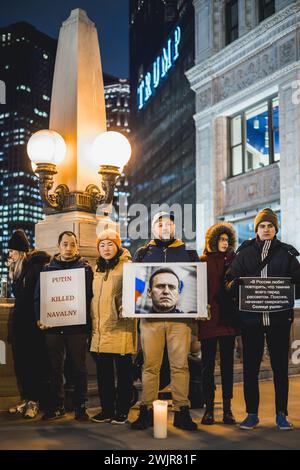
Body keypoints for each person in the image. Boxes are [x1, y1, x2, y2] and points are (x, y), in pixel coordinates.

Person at [225, 208, 300, 431]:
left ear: (276, 229)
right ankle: (251, 414)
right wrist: (234, 286)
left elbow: (298, 285)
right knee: (250, 369)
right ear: (256, 229)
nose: (266, 229)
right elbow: (228, 281)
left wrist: (288, 289)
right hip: (251, 321)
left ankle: (281, 414)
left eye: (270, 226)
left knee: (280, 369)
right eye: (262, 226)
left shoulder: (287, 254)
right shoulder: (244, 254)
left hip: (278, 320)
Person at [131, 211, 199, 431]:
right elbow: (135, 285)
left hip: (180, 320)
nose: (165, 227)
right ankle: (147, 410)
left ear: (175, 228)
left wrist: (201, 304)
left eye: (169, 224)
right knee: (150, 366)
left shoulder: (188, 252)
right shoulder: (142, 253)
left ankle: (182, 411)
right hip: (150, 320)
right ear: (153, 229)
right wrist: (130, 301)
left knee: (180, 365)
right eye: (160, 224)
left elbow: (196, 285)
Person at [35, 231, 93, 421]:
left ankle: (80, 406)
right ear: (59, 246)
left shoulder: (85, 269)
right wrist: (39, 318)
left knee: (79, 367)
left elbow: (91, 297)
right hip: (53, 325)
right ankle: (56, 405)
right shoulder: (47, 269)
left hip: (77, 326)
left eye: (72, 244)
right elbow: (39, 297)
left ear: (77, 247)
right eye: (65, 244)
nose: (69, 248)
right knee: (54, 368)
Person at [90, 229, 137, 425]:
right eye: (102, 245)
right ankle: (107, 409)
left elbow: (138, 290)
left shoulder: (128, 265)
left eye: (110, 244)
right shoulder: (96, 268)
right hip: (100, 328)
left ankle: (122, 410)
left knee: (124, 373)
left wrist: (128, 304)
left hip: (121, 327)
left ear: (117, 246)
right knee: (104, 373)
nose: (106, 248)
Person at [7, 229, 50, 419]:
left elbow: (32, 295)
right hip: (19, 324)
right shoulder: (18, 269)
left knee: (34, 363)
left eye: (13, 251)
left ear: (21, 251)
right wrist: (12, 273)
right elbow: (19, 294)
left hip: (32, 324)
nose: (10, 254)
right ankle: (26, 398)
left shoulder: (34, 267)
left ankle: (34, 401)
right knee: (21, 363)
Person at [199, 222, 239, 426]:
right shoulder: (202, 261)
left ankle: (227, 409)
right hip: (207, 321)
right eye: (221, 239)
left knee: (227, 367)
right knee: (207, 367)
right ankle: (209, 409)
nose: (224, 243)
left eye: (227, 239)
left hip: (228, 322)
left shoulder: (235, 261)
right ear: (214, 240)